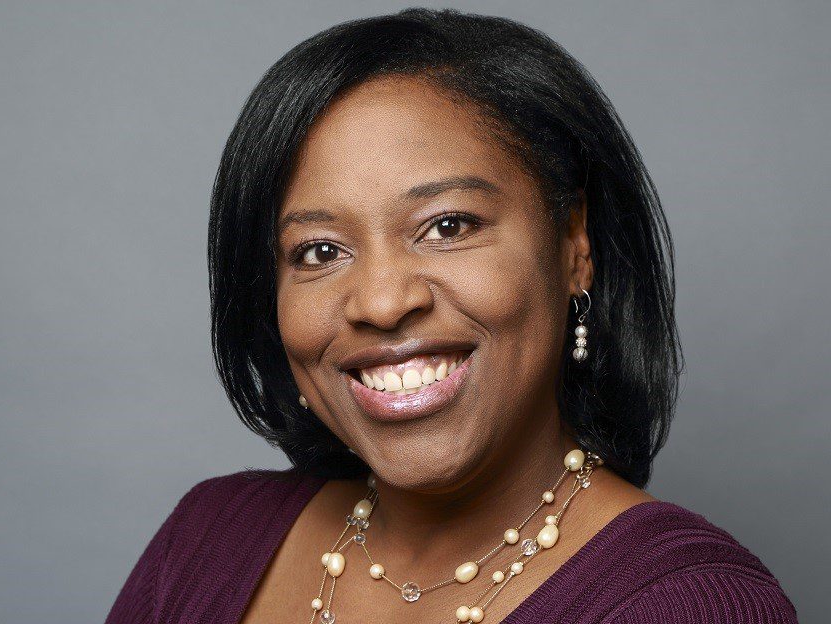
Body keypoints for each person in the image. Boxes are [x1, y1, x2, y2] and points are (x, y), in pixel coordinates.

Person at [105, 8, 797, 623]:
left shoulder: (689, 607)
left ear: (574, 246)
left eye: (448, 226)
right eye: (319, 250)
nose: (380, 302)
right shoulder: (206, 540)